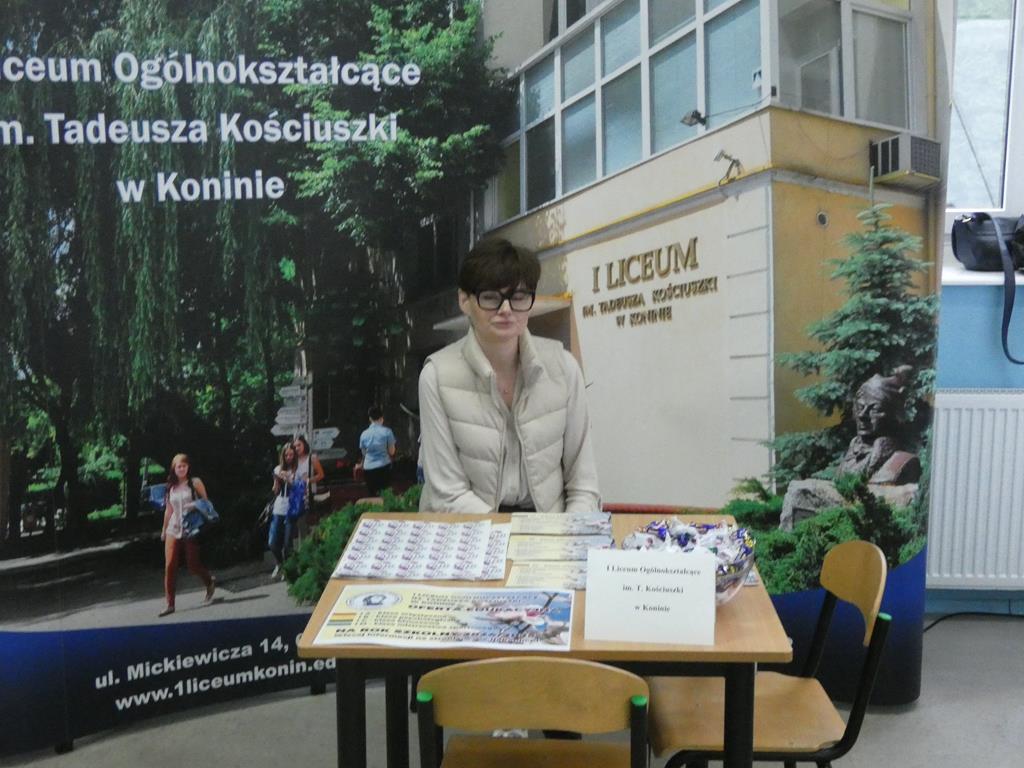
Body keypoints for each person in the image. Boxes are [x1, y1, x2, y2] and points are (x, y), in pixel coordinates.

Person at [417, 238, 600, 514]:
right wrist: (507, 535)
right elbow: (448, 494)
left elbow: (583, 485)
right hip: (468, 528)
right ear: (464, 300)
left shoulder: (564, 368)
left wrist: (568, 533)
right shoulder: (437, 376)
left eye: (518, 297)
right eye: (491, 297)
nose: (506, 310)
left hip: (549, 526)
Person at [160, 453, 215, 617]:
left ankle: (209, 581)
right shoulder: (170, 486)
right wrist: (164, 530)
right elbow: (168, 510)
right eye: (179, 466)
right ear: (174, 468)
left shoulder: (195, 482)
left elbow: (206, 503)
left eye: (184, 466)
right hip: (173, 528)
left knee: (193, 565)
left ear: (188, 467)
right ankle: (170, 604)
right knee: (170, 565)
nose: (182, 469)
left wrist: (194, 505)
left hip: (190, 527)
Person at [269, 442, 303, 579]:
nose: (289, 457)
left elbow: (299, 489)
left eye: (291, 455)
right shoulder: (278, 469)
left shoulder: (298, 470)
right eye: (286, 455)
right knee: (272, 542)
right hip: (279, 507)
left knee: (288, 543)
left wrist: (289, 480)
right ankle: (280, 564)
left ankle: (289, 570)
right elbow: (275, 490)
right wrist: (277, 480)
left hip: (291, 507)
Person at [357, 406, 397, 496]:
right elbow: (392, 452)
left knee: (373, 496)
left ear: (370, 419)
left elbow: (364, 454)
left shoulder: (364, 434)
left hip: (368, 469)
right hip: (384, 467)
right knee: (385, 495)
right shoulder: (387, 432)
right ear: (382, 418)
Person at [292, 435, 325, 514]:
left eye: (299, 445)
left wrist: (308, 480)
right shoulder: (294, 460)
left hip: (309, 495)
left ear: (304, 444)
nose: (297, 448)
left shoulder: (312, 458)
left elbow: (321, 475)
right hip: (297, 495)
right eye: (295, 446)